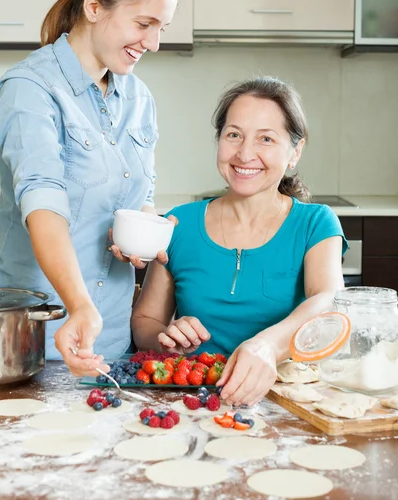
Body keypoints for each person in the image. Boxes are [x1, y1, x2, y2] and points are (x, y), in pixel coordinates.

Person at [0, 0, 179, 377]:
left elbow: (139, 194)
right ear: (94, 7)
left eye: (162, 28)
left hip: (111, 338)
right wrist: (78, 307)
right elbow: (43, 202)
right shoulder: (29, 89)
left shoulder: (138, 97)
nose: (154, 42)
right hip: (42, 336)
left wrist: (143, 235)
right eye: (144, 23)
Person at [131, 76, 347, 407]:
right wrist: (167, 341)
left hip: (284, 401)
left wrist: (266, 346)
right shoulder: (180, 222)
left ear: (295, 151)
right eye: (234, 135)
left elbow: (328, 300)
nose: (245, 153)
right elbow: (146, 321)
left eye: (266, 139)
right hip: (194, 401)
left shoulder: (315, 222)